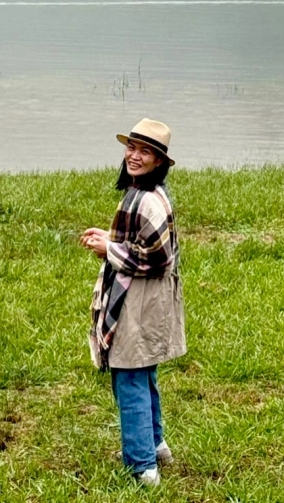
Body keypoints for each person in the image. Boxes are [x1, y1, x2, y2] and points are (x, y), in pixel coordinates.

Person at [81, 118, 186, 487]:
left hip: (139, 302)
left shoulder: (147, 201)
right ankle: (156, 445)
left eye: (145, 152)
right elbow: (139, 245)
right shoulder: (145, 194)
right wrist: (108, 240)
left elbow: (157, 260)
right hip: (146, 300)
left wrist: (108, 248)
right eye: (132, 148)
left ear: (159, 161)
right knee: (144, 372)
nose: (134, 156)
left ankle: (142, 468)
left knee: (128, 375)